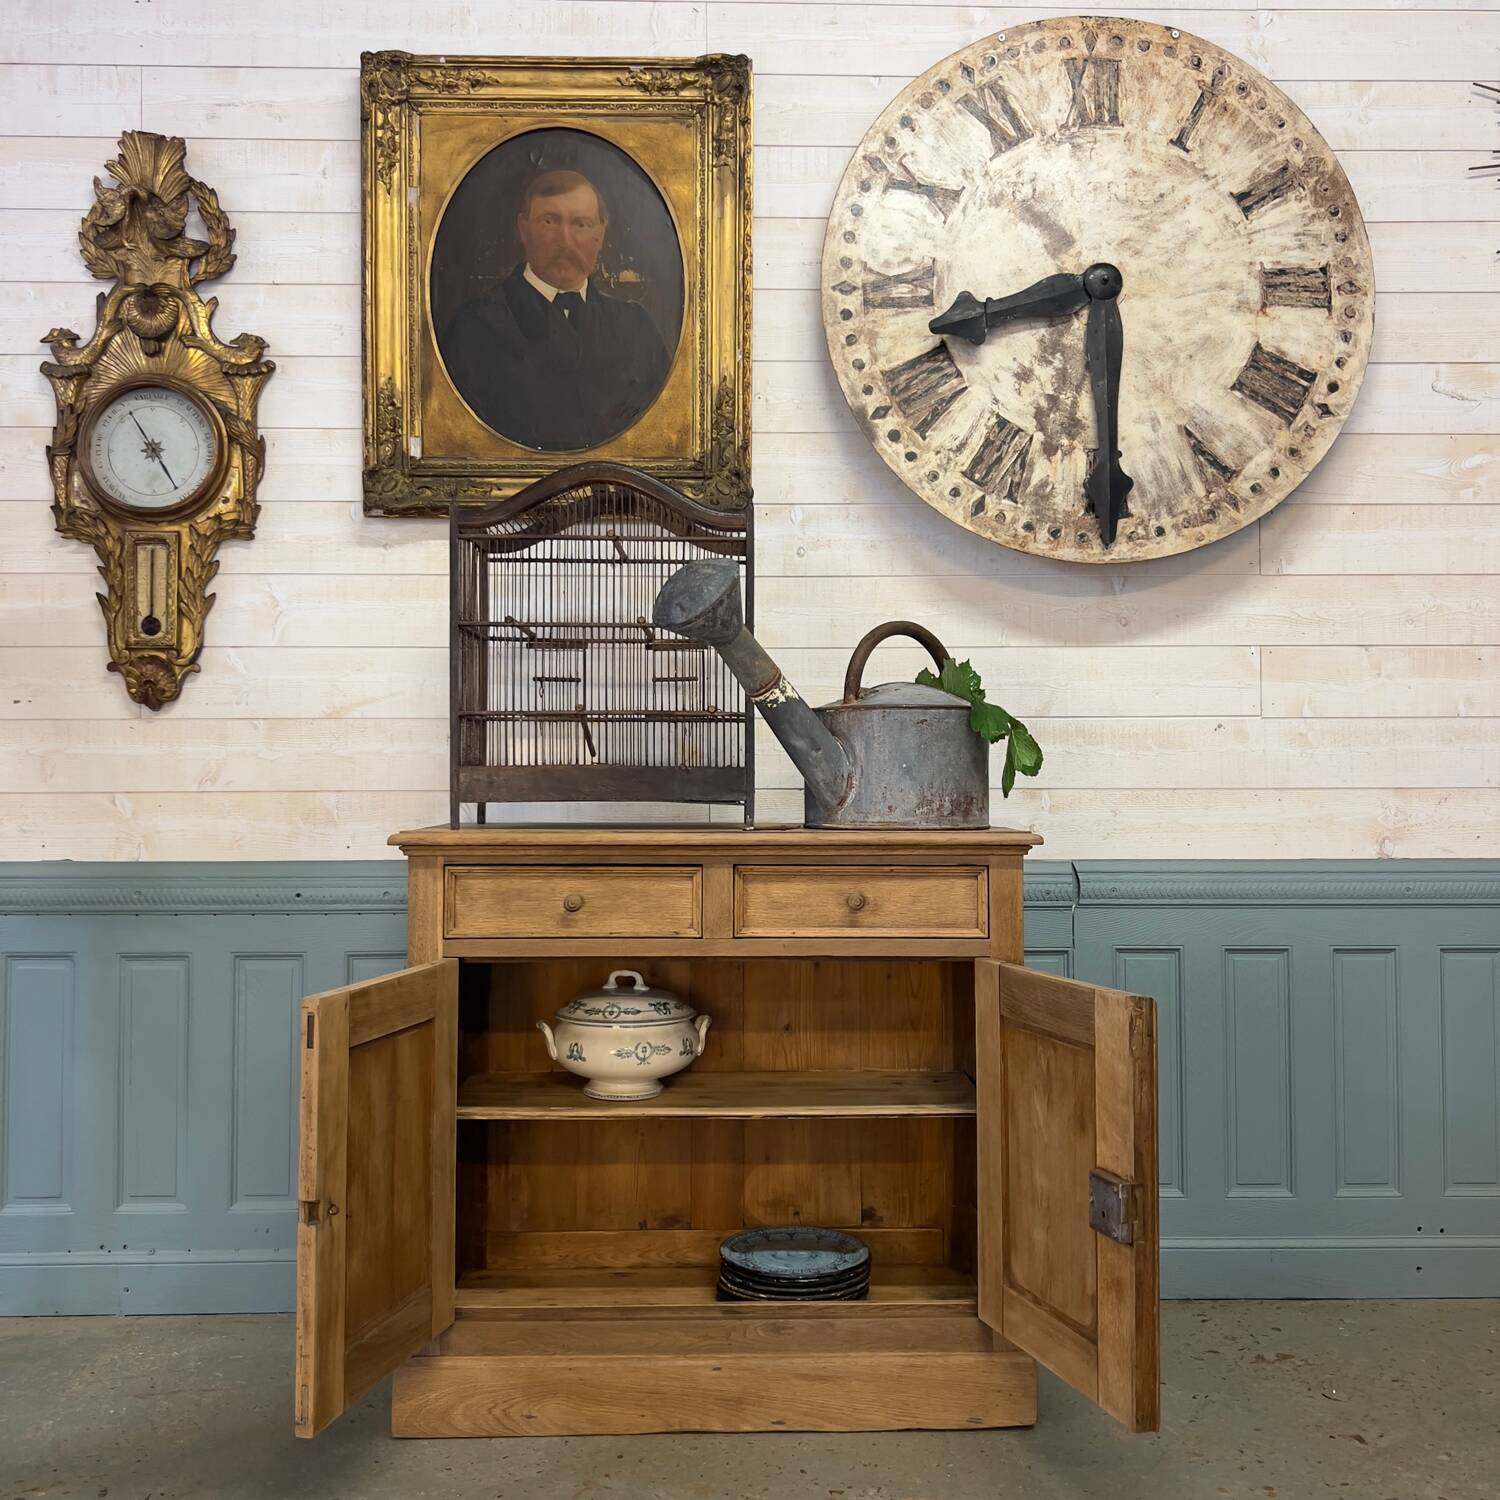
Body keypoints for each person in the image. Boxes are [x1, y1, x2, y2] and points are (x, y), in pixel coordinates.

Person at [438, 168, 672, 450]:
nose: (565, 240)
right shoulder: (474, 329)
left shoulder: (637, 329)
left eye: (581, 224)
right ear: (523, 229)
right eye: (550, 221)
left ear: (600, 234)